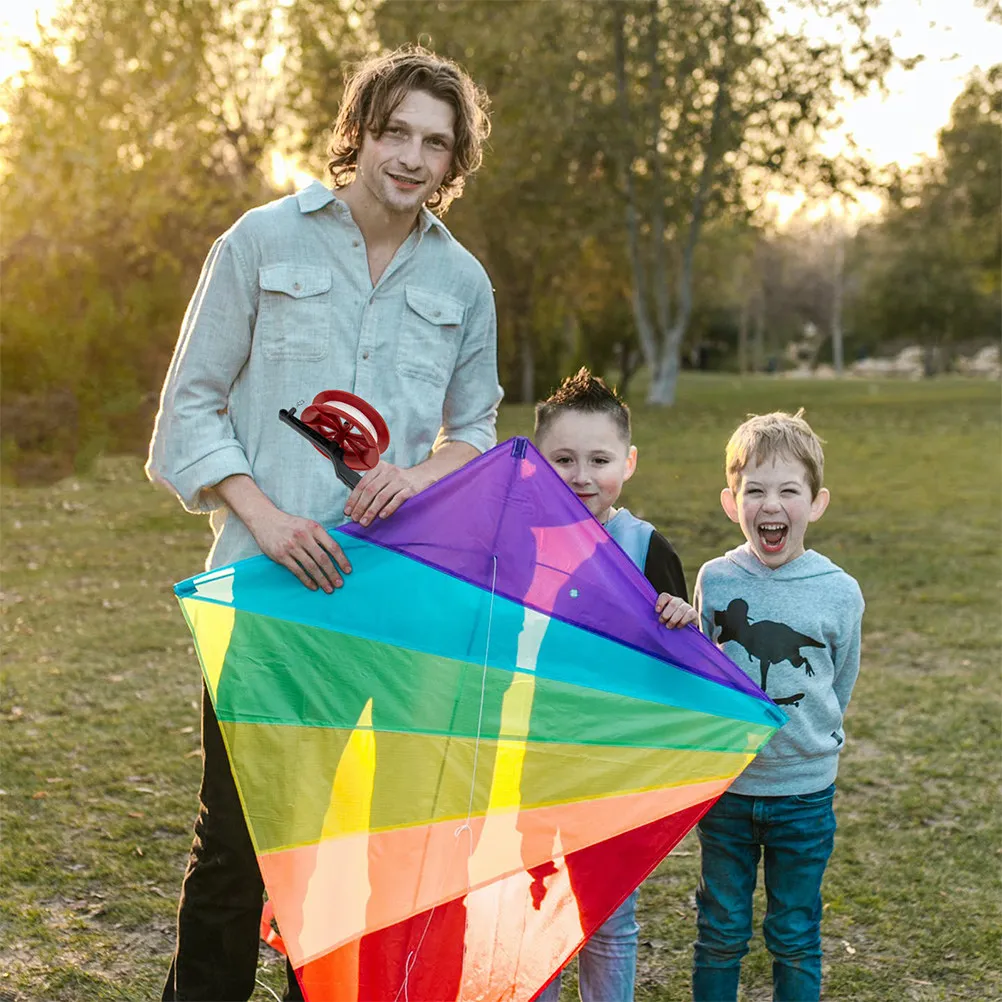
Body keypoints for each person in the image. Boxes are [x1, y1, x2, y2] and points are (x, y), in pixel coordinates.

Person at [146, 46, 501, 1002]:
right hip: (263, 595)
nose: (413, 158)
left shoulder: (465, 283)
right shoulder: (261, 242)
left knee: (348, 859)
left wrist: (416, 479)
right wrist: (263, 519)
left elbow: (476, 430)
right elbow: (189, 408)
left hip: (389, 602)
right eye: (396, 133)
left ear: (454, 160)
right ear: (360, 134)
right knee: (236, 849)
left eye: (436, 142)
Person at [528, 368, 696, 1002]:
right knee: (535, 910)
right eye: (563, 459)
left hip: (614, 767)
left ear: (628, 462)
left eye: (599, 459)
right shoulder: (519, 542)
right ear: (537, 462)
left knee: (608, 919)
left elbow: (684, 664)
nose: (581, 475)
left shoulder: (646, 548)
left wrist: (683, 622)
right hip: (535, 759)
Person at [691, 409, 865, 1002]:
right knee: (720, 930)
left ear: (815, 503)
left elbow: (839, 681)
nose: (772, 504)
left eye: (788, 490)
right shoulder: (714, 580)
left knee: (794, 933)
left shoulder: (840, 592)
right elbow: (707, 667)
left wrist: (808, 736)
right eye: (755, 490)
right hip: (729, 792)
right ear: (730, 500)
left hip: (804, 795)